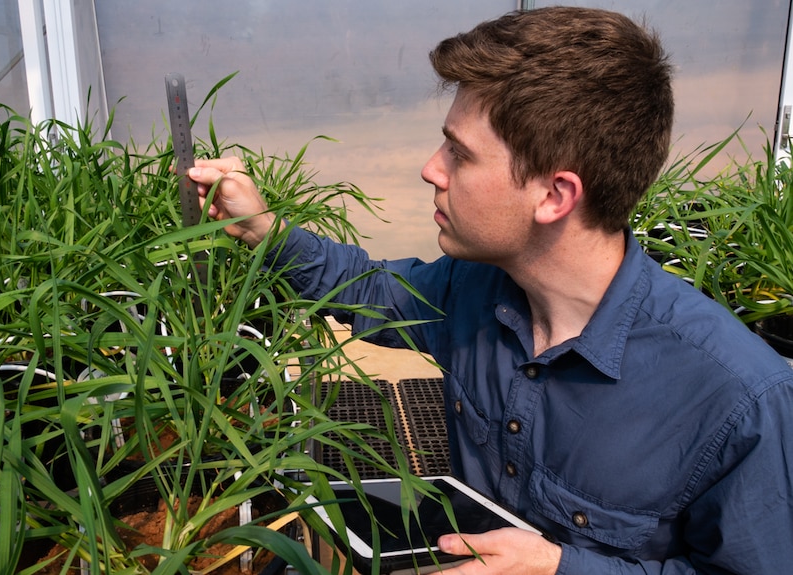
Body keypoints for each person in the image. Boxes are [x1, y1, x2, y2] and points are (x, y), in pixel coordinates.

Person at [188, 6, 793, 574]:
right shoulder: (475, 290)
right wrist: (263, 230)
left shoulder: (737, 399)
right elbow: (366, 291)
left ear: (555, 196)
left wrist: (562, 568)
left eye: (460, 152)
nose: (431, 168)